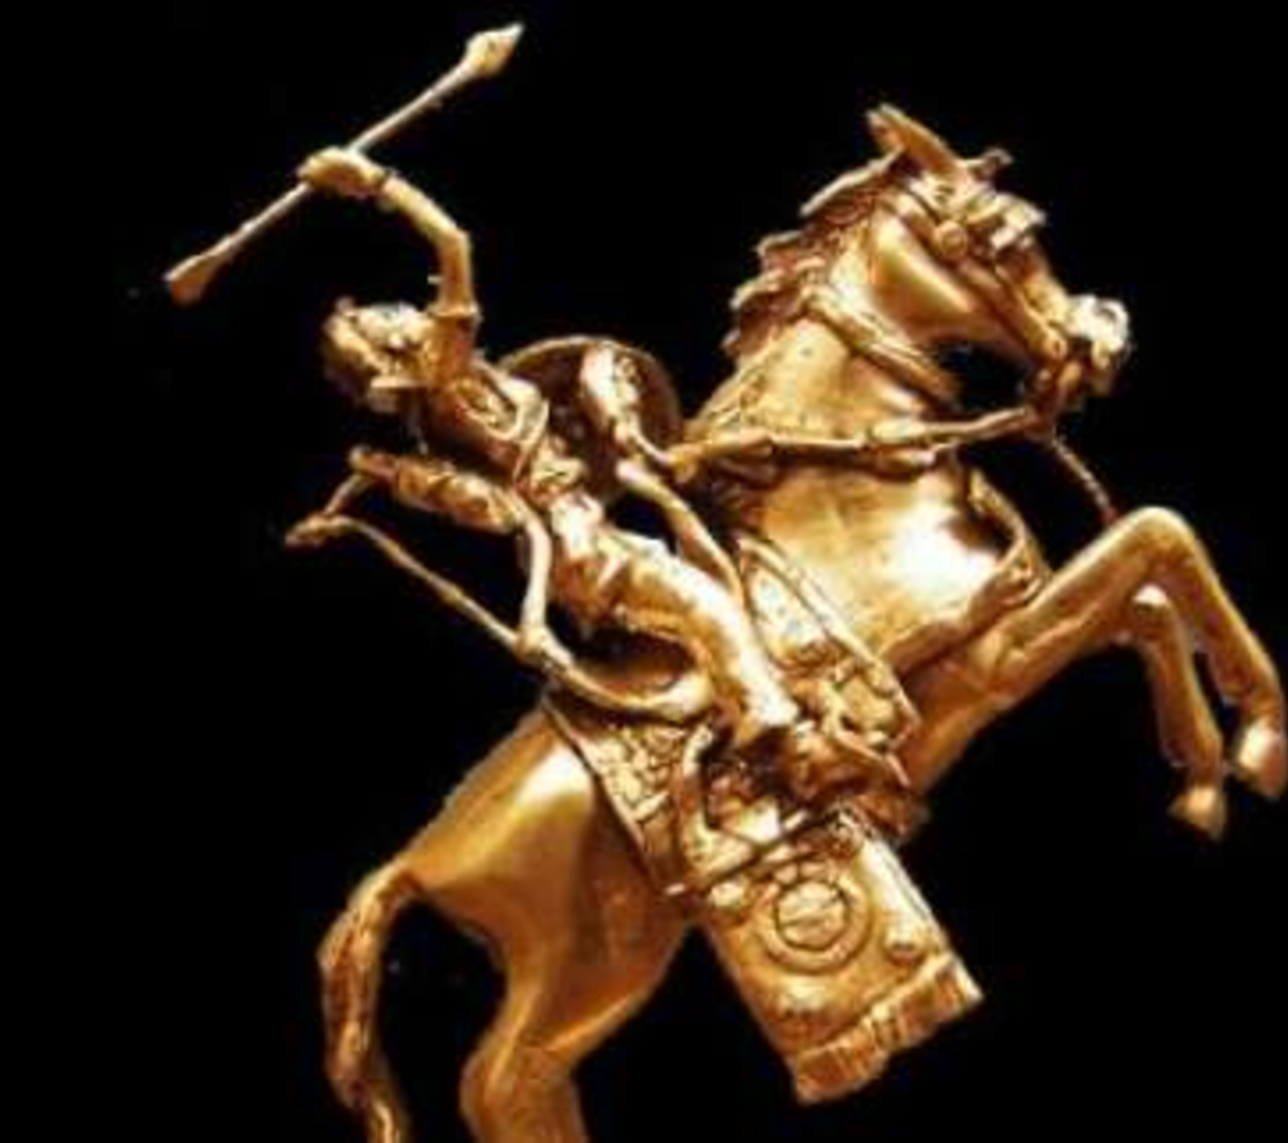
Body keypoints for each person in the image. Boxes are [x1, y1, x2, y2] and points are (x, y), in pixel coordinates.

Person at [283, 147, 889, 820]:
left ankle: (767, 718)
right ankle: (792, 753)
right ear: (393, 354)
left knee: (715, 579)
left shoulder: (456, 400)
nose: (406, 310)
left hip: (582, 526)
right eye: (386, 316)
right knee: (707, 607)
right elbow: (453, 244)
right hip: (578, 541)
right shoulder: (447, 382)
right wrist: (375, 183)